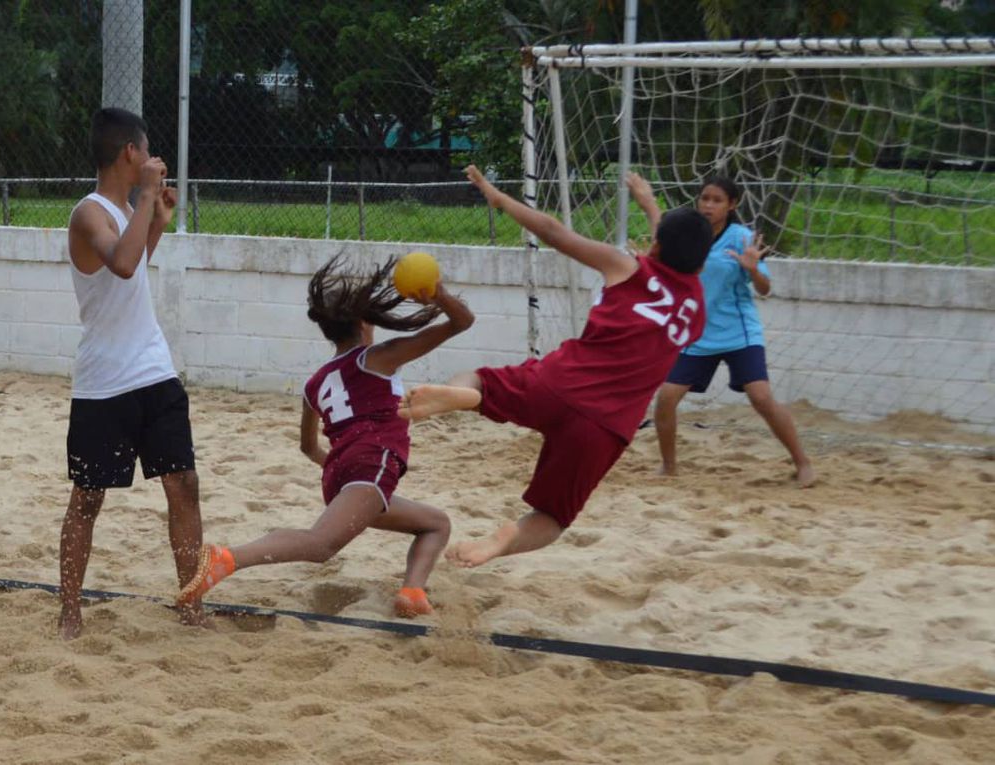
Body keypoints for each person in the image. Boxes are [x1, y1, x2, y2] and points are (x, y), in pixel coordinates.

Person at [399, 165, 713, 569]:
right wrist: (652, 208)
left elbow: (553, 231)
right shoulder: (696, 314)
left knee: (481, 380)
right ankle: (504, 539)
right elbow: (676, 261)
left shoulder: (627, 267)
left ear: (654, 248)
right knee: (552, 519)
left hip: (557, 383)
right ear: (702, 263)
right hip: (605, 427)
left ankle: (466, 396)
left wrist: (500, 199)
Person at [176, 257, 474, 617]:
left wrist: (344, 468)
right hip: (370, 464)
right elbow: (463, 322)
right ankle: (227, 558)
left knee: (435, 524)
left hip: (340, 476)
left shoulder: (314, 383)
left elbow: (307, 446)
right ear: (365, 323)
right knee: (321, 546)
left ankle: (412, 592)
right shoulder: (377, 357)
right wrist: (439, 295)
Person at [60, 107, 203, 639]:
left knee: (184, 482)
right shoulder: (89, 212)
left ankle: (191, 605)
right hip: (103, 383)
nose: (153, 162)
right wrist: (146, 199)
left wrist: (157, 221)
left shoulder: (127, 212)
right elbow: (119, 264)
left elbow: (133, 266)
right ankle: (70, 611)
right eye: (147, 152)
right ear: (130, 153)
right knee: (88, 498)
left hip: (152, 369)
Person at [647, 175, 816, 487]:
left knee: (761, 397)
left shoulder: (741, 238)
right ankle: (669, 467)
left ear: (732, 205)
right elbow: (663, 265)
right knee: (666, 397)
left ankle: (802, 463)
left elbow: (765, 289)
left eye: (717, 200)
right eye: (704, 198)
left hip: (739, 333)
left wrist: (753, 269)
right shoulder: (688, 233)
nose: (709, 205)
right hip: (697, 333)